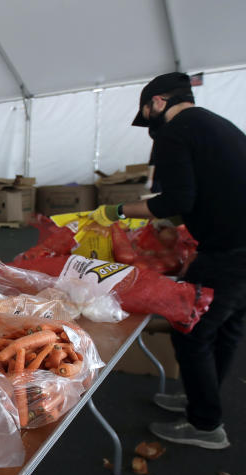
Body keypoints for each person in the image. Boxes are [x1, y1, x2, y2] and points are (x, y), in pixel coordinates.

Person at [90, 72, 246, 450]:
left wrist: (117, 210)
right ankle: (200, 400)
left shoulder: (174, 132)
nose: (149, 125)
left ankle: (206, 425)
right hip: (240, 245)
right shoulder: (218, 125)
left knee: (192, 331)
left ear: (157, 102)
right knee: (225, 329)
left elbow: (176, 200)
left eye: (147, 113)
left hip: (227, 251)